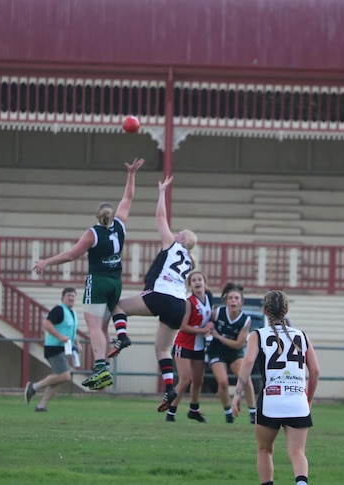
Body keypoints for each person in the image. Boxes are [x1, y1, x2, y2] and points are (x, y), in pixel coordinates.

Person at [32, 158, 145, 391]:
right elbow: (128, 198)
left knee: (93, 327)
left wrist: (47, 262)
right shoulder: (121, 225)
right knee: (102, 329)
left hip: (99, 281)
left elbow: (72, 255)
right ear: (112, 214)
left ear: (97, 216)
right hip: (116, 282)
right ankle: (103, 367)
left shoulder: (92, 233)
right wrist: (131, 174)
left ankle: (101, 368)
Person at [107, 175, 196, 411]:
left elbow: (160, 217)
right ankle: (169, 388)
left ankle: (122, 335)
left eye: (179, 233)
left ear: (182, 239)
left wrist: (161, 193)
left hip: (161, 294)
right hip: (179, 303)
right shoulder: (190, 260)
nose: (175, 233)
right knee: (162, 349)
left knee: (117, 305)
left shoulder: (173, 245)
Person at [231, 290, 319, 485]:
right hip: (297, 400)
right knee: (297, 452)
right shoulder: (301, 335)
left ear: (264, 310)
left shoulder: (258, 335)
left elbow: (248, 362)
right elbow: (315, 371)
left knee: (264, 450)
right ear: (286, 310)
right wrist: (308, 399)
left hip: (271, 400)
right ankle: (302, 483)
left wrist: (237, 394)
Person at [166, 271, 213, 423]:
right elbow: (183, 326)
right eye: (194, 280)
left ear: (205, 281)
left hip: (198, 346)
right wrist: (203, 330)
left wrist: (211, 324)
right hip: (183, 344)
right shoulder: (188, 302)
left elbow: (208, 317)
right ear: (190, 285)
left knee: (198, 381)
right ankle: (171, 412)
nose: (197, 282)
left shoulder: (209, 298)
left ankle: (194, 410)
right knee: (185, 380)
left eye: (200, 279)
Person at [24, 287, 81, 412]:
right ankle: (34, 387)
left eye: (73, 296)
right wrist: (60, 336)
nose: (71, 298)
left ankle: (41, 406)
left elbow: (71, 330)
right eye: (68, 295)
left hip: (64, 348)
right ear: (63, 297)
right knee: (65, 376)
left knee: (58, 379)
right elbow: (46, 324)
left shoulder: (72, 313)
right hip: (54, 347)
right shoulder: (59, 310)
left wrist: (77, 343)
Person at [208, 282, 257, 423]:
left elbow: (238, 344)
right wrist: (207, 326)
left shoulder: (245, 320)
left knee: (245, 378)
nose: (233, 301)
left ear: (241, 302)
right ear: (226, 300)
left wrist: (218, 336)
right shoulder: (217, 313)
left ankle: (253, 412)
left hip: (234, 352)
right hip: (217, 351)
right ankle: (228, 412)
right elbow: (206, 323)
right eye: (231, 298)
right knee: (223, 382)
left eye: (236, 298)